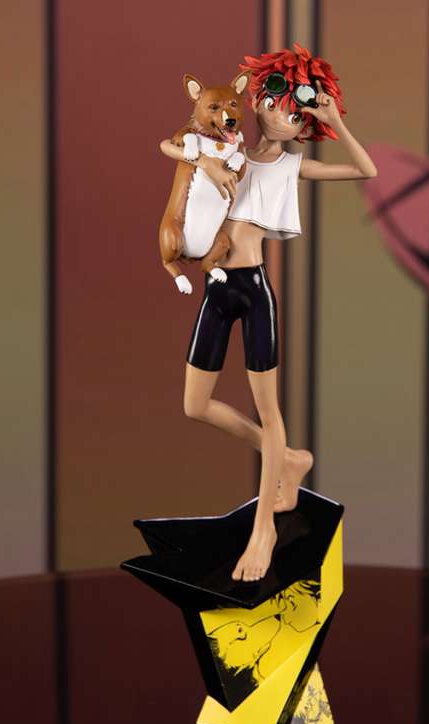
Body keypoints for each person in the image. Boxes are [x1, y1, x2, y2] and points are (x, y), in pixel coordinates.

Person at [159, 44, 376, 581]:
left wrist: (333, 119)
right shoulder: (224, 148)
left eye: (297, 114)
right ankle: (288, 459)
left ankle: (264, 531)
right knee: (194, 405)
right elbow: (169, 145)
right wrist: (203, 159)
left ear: (303, 127)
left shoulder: (291, 166)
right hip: (215, 287)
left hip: (253, 291)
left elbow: (365, 169)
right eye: (276, 101)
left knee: (270, 412)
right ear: (257, 100)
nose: (283, 114)